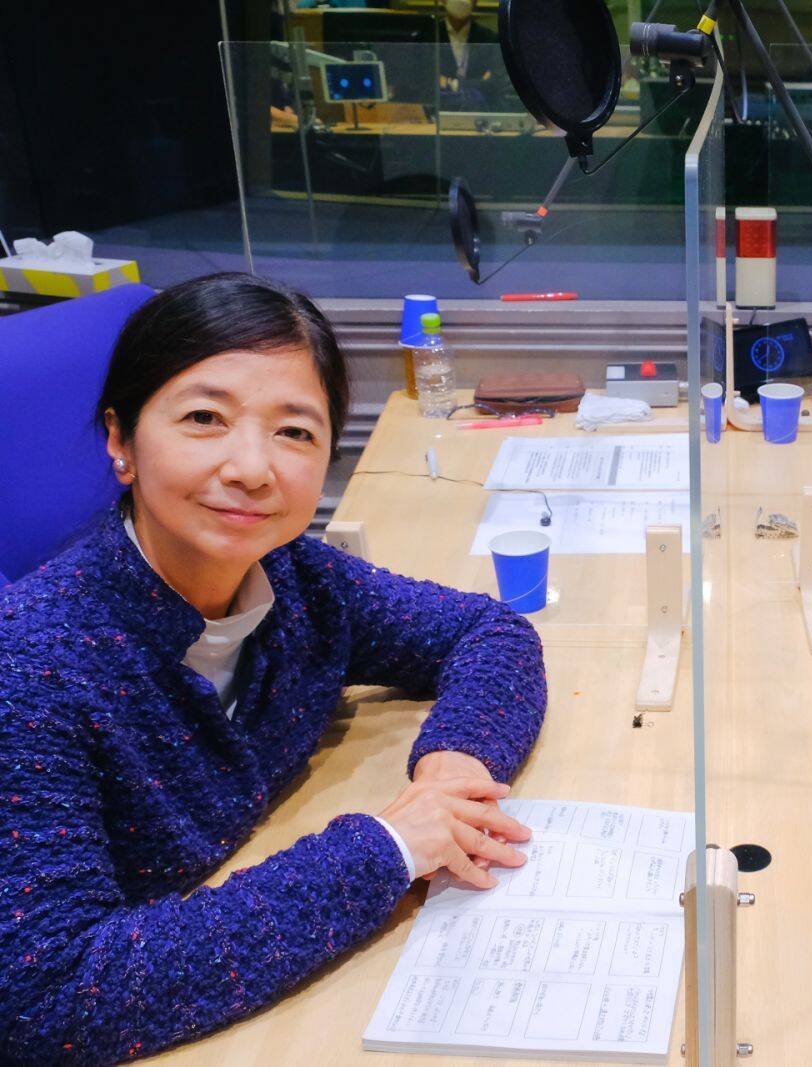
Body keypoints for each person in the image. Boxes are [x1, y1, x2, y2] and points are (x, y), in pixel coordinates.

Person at [0, 273, 547, 1063]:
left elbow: (488, 631)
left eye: (294, 431)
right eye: (204, 419)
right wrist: (389, 848)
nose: (253, 468)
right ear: (120, 441)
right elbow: (51, 995)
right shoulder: (33, 667)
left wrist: (454, 767)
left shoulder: (298, 579)